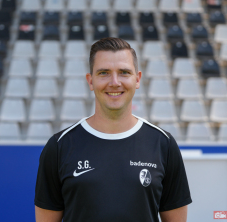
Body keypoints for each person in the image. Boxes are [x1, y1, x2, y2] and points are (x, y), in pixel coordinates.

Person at [34, 37, 192, 222]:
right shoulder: (59, 146)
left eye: (124, 72)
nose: (115, 82)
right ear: (90, 80)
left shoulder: (163, 144)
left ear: (137, 79)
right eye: (104, 73)